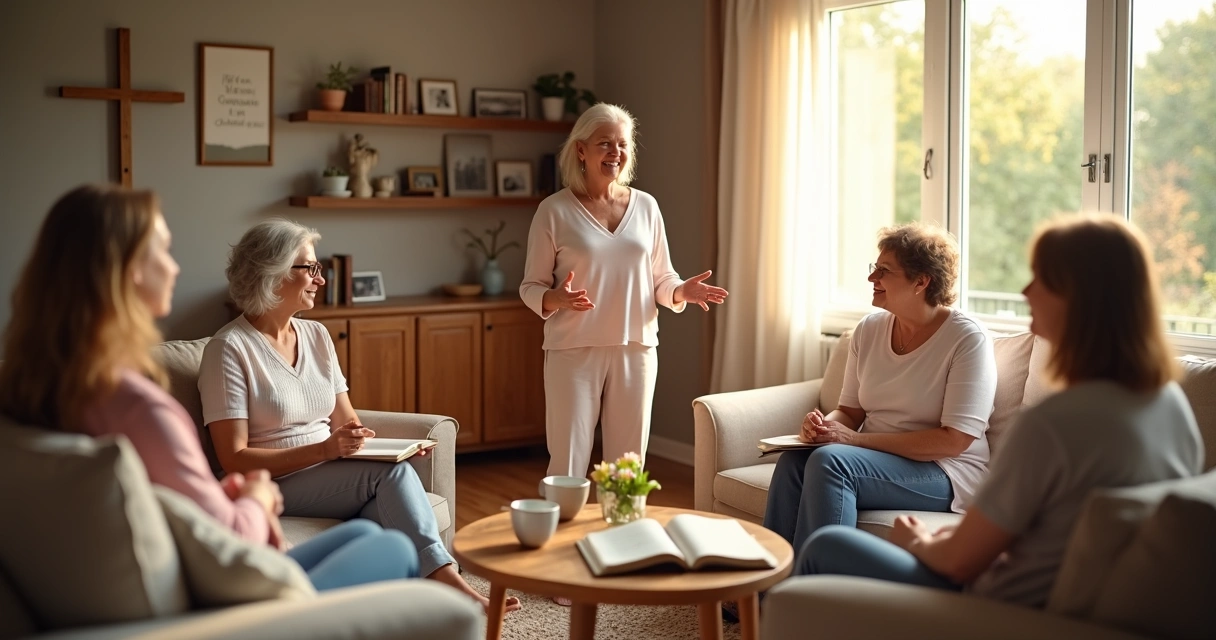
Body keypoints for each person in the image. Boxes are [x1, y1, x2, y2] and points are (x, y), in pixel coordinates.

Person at [0, 184, 419, 591]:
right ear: (127, 269)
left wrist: (236, 492)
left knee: (365, 534)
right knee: (395, 548)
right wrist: (257, 497)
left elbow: (185, 508)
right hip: (231, 600)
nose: (175, 268)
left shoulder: (39, 395)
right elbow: (226, 530)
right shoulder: (143, 410)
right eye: (163, 251)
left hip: (206, 580)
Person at [794, 214, 1203, 609]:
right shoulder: (1169, 404)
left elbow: (960, 561)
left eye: (1041, 279)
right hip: (1055, 604)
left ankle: (788, 610)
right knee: (803, 466)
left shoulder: (1052, 424)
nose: (1025, 291)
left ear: (1080, 299)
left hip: (992, 610)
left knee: (826, 547)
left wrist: (917, 542)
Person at [199, 218, 520, 614]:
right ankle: (449, 585)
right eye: (310, 268)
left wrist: (389, 447)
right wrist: (325, 450)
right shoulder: (228, 349)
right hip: (272, 481)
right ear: (274, 272)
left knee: (383, 501)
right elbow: (233, 458)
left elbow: (347, 422)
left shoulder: (316, 336)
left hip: (327, 472)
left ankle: (413, 603)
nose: (320, 279)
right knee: (390, 479)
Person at [520, 103, 729, 480]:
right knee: (568, 462)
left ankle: (623, 521)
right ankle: (563, 521)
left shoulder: (647, 207)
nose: (615, 152)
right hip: (573, 349)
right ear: (581, 149)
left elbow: (662, 279)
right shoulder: (554, 211)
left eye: (622, 144)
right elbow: (530, 286)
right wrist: (556, 298)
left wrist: (681, 291)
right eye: (605, 143)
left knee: (628, 468)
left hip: (637, 348)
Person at [764, 223, 998, 558]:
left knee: (833, 462)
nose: (872, 277)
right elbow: (850, 411)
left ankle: (818, 585)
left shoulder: (967, 338)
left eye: (884, 271)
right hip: (879, 458)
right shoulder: (869, 329)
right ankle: (770, 580)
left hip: (947, 470)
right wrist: (824, 428)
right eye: (875, 267)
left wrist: (854, 440)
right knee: (794, 461)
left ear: (921, 281)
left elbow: (954, 441)